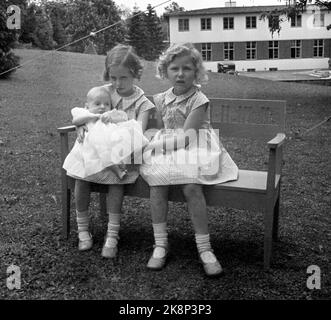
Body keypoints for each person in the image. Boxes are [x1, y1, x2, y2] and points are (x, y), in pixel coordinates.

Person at [140, 43, 239, 277]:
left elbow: (187, 138)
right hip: (169, 148)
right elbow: (160, 127)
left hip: (197, 148)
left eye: (187, 68)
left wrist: (154, 145)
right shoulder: (161, 98)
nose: (181, 74)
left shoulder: (199, 99)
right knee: (157, 183)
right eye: (174, 68)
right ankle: (161, 244)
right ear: (166, 72)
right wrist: (145, 137)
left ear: (196, 72)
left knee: (191, 186)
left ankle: (205, 249)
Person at [66, 44, 154, 257]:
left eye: (123, 78)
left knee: (116, 183)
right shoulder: (105, 91)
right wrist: (80, 126)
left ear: (135, 74)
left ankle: (112, 235)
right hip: (93, 153)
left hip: (124, 156)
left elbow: (139, 134)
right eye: (113, 77)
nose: (117, 83)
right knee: (81, 177)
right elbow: (88, 112)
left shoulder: (143, 103)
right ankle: (83, 230)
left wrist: (121, 118)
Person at [63, 86, 148, 180]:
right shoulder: (84, 113)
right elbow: (75, 121)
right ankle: (117, 170)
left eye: (107, 104)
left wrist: (111, 117)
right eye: (97, 104)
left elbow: (123, 118)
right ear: (87, 106)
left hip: (109, 144)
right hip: (92, 147)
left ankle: (120, 168)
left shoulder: (108, 115)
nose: (102, 107)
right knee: (102, 152)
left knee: (109, 151)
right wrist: (90, 117)